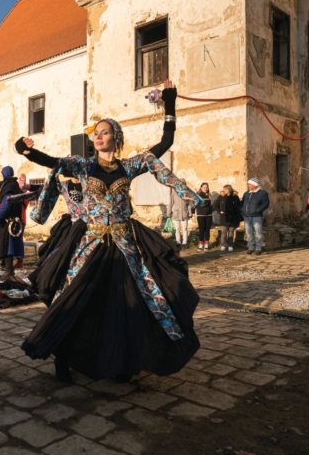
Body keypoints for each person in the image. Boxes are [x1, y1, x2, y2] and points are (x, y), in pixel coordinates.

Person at [14, 85, 201, 384]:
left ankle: (123, 361)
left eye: (104, 132)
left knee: (131, 303)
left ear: (116, 137)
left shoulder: (130, 167)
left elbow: (166, 141)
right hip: (90, 244)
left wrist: (170, 104)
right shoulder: (84, 166)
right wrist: (24, 150)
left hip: (126, 246)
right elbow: (52, 162)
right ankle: (62, 360)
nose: (97, 136)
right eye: (95, 133)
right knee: (74, 300)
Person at [0, 166, 25, 279]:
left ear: (5, 174)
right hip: (14, 221)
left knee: (8, 247)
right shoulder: (15, 185)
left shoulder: (8, 187)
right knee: (9, 247)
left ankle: (8, 273)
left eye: (2, 174)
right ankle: (9, 272)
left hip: (9, 223)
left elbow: (5, 207)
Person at [240, 178, 270, 255]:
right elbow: (242, 202)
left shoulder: (262, 193)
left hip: (256, 216)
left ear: (255, 185)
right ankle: (250, 247)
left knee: (258, 232)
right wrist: (242, 210)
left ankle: (258, 248)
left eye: (250, 184)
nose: (248, 185)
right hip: (247, 216)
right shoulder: (246, 193)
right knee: (249, 232)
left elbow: (266, 203)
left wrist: (258, 210)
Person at [214, 185, 241, 251]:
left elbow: (238, 206)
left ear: (229, 189)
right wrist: (220, 211)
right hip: (224, 217)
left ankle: (230, 245)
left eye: (225, 189)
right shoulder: (221, 196)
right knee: (223, 232)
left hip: (232, 218)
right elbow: (216, 206)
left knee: (231, 232)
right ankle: (223, 244)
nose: (224, 191)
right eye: (224, 189)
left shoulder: (235, 196)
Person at [194, 183, 213, 250]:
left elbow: (212, 205)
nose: (205, 188)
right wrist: (193, 213)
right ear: (201, 188)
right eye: (204, 187)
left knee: (207, 230)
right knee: (201, 230)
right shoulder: (198, 195)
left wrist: (211, 210)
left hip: (208, 215)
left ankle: (206, 244)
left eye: (206, 187)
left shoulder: (209, 195)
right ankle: (201, 244)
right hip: (201, 214)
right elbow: (193, 204)